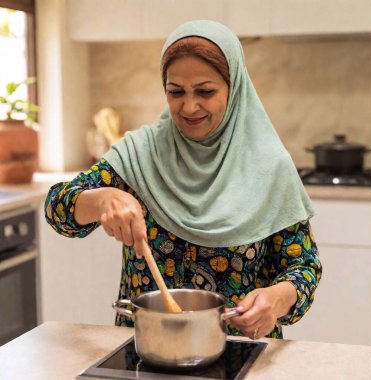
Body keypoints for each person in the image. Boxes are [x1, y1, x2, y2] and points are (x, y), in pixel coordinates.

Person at [45, 20, 322, 340]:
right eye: (176, 91)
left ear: (234, 89)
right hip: (146, 352)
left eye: (205, 91)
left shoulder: (270, 167)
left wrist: (277, 299)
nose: (189, 106)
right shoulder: (140, 154)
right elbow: (57, 209)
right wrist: (102, 199)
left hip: (237, 350)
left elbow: (303, 266)